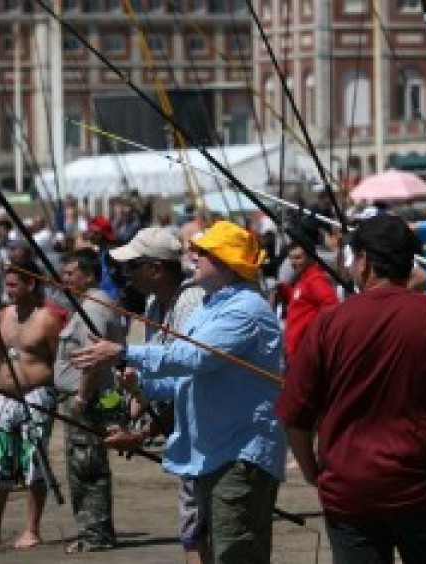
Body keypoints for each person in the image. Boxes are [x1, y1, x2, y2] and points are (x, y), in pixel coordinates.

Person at [71, 220, 286, 563]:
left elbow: (196, 356)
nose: (194, 255)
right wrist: (142, 384)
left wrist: (126, 352)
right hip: (213, 450)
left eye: (204, 252)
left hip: (241, 453)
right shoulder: (211, 306)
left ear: (227, 263)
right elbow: (191, 377)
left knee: (235, 554)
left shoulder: (245, 309)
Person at [279, 214, 426, 563]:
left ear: (364, 262)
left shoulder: (329, 323)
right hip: (419, 487)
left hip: (350, 491)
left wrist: (313, 472)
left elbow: (296, 417)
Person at [97, 227, 210, 563]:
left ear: (155, 268)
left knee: (203, 534)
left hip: (208, 437)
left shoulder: (191, 303)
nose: (124, 274)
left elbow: (190, 380)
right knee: (194, 532)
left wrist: (145, 433)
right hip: (186, 434)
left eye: (131, 266)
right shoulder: (152, 304)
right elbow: (164, 379)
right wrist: (138, 393)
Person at [0, 262, 68, 551]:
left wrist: (56, 396)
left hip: (38, 395)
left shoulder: (48, 318)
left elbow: (60, 361)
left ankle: (32, 529)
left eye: (14, 285)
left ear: (30, 285)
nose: (8, 291)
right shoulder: (1, 315)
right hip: (6, 397)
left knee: (35, 462)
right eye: (6, 285)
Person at [51, 248, 128, 553]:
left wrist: (82, 395)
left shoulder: (94, 307)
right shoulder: (87, 303)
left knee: (87, 466)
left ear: (89, 275)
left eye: (71, 273)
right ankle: (89, 531)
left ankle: (96, 535)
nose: (64, 278)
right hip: (88, 394)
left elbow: (93, 358)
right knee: (82, 464)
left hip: (90, 396)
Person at [276, 240, 338, 357]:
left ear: (310, 257)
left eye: (298, 257)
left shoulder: (315, 279)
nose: (294, 263)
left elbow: (331, 306)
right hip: (296, 351)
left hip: (304, 353)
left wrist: (314, 336)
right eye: (291, 258)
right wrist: (284, 290)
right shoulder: (303, 279)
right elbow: (302, 304)